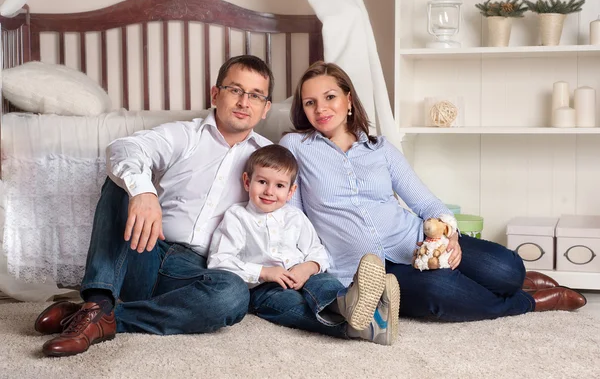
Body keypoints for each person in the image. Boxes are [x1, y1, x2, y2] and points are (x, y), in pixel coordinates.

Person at [278, 61, 587, 323]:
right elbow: (295, 218)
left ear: (348, 99)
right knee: (440, 294)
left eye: (329, 96)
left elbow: (425, 201)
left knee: (508, 269)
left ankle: (519, 283)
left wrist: (450, 236)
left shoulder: (380, 148)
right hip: (363, 270)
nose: (321, 109)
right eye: (310, 102)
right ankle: (530, 302)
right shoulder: (295, 147)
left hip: (419, 243)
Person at [34, 55, 278, 357]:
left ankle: (98, 317)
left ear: (266, 108)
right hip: (146, 249)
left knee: (232, 295)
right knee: (121, 181)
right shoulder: (184, 135)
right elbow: (125, 148)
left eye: (255, 95)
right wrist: (143, 193)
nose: (244, 102)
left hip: (197, 272)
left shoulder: (270, 159)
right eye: (235, 90)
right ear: (216, 94)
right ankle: (99, 300)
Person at [207, 144, 400, 345]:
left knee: (324, 283)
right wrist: (264, 272)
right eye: (262, 182)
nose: (269, 191)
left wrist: (309, 267)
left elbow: (317, 250)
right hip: (265, 288)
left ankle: (345, 302)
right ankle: (369, 326)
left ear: (291, 191)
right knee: (291, 306)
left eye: (280, 186)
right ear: (247, 181)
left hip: (305, 276)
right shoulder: (237, 217)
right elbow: (219, 261)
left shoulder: (295, 217)